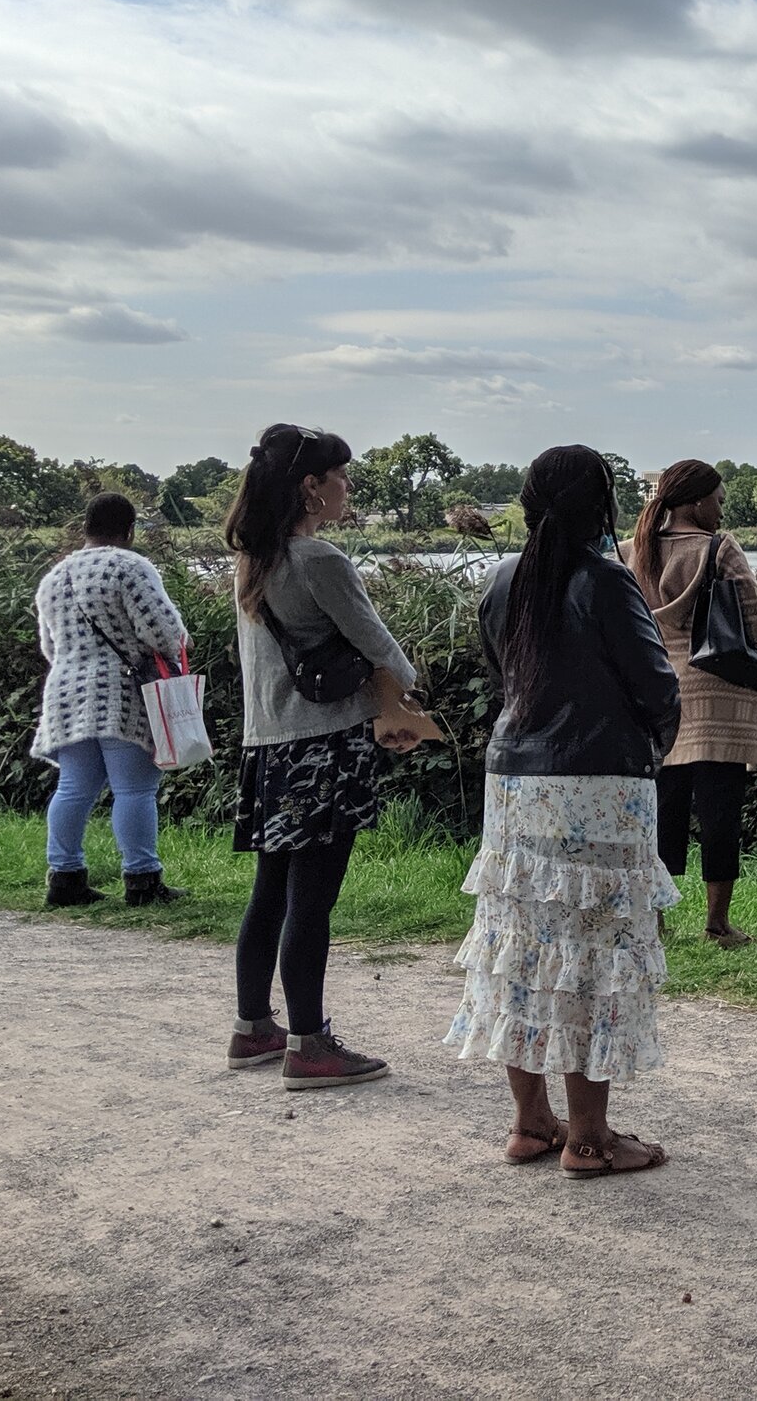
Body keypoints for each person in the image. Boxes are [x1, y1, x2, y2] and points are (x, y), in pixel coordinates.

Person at [446, 446, 681, 1176]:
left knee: (523, 950)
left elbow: (504, 676)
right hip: (601, 787)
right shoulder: (607, 581)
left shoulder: (501, 580)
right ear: (600, 505)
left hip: (514, 787)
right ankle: (589, 1137)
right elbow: (658, 687)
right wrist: (651, 748)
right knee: (594, 956)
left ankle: (530, 1122)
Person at [227, 424, 439, 1087]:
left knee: (270, 895)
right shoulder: (317, 559)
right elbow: (385, 652)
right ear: (309, 486)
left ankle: (253, 1026)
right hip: (322, 749)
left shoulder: (253, 559)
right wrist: (407, 697)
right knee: (312, 900)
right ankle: (309, 1043)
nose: (349, 487)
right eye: (341, 476)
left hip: (268, 745)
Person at [627, 460, 757, 947]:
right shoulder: (719, 548)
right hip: (719, 698)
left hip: (660, 696)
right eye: (717, 499)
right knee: (721, 816)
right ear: (696, 501)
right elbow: (753, 621)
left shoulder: (634, 551)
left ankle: (654, 919)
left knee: (662, 814)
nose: (721, 508)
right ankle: (717, 924)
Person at [31, 493, 193, 907]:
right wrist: (178, 647)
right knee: (135, 789)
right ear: (130, 530)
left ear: (85, 527)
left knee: (73, 787)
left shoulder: (54, 577)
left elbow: (49, 646)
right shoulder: (129, 566)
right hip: (121, 692)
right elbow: (162, 632)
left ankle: (64, 878)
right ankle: (142, 879)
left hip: (64, 691)